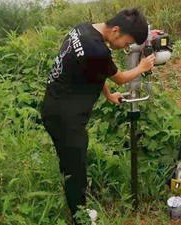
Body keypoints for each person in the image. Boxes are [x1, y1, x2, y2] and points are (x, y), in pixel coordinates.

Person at [40, 8, 155, 224]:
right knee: (76, 167)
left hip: (53, 107)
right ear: (116, 30)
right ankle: (80, 216)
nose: (125, 47)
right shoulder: (97, 50)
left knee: (70, 160)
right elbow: (120, 78)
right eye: (127, 42)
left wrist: (109, 95)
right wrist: (142, 67)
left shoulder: (84, 29)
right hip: (65, 117)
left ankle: (73, 193)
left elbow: (94, 71)